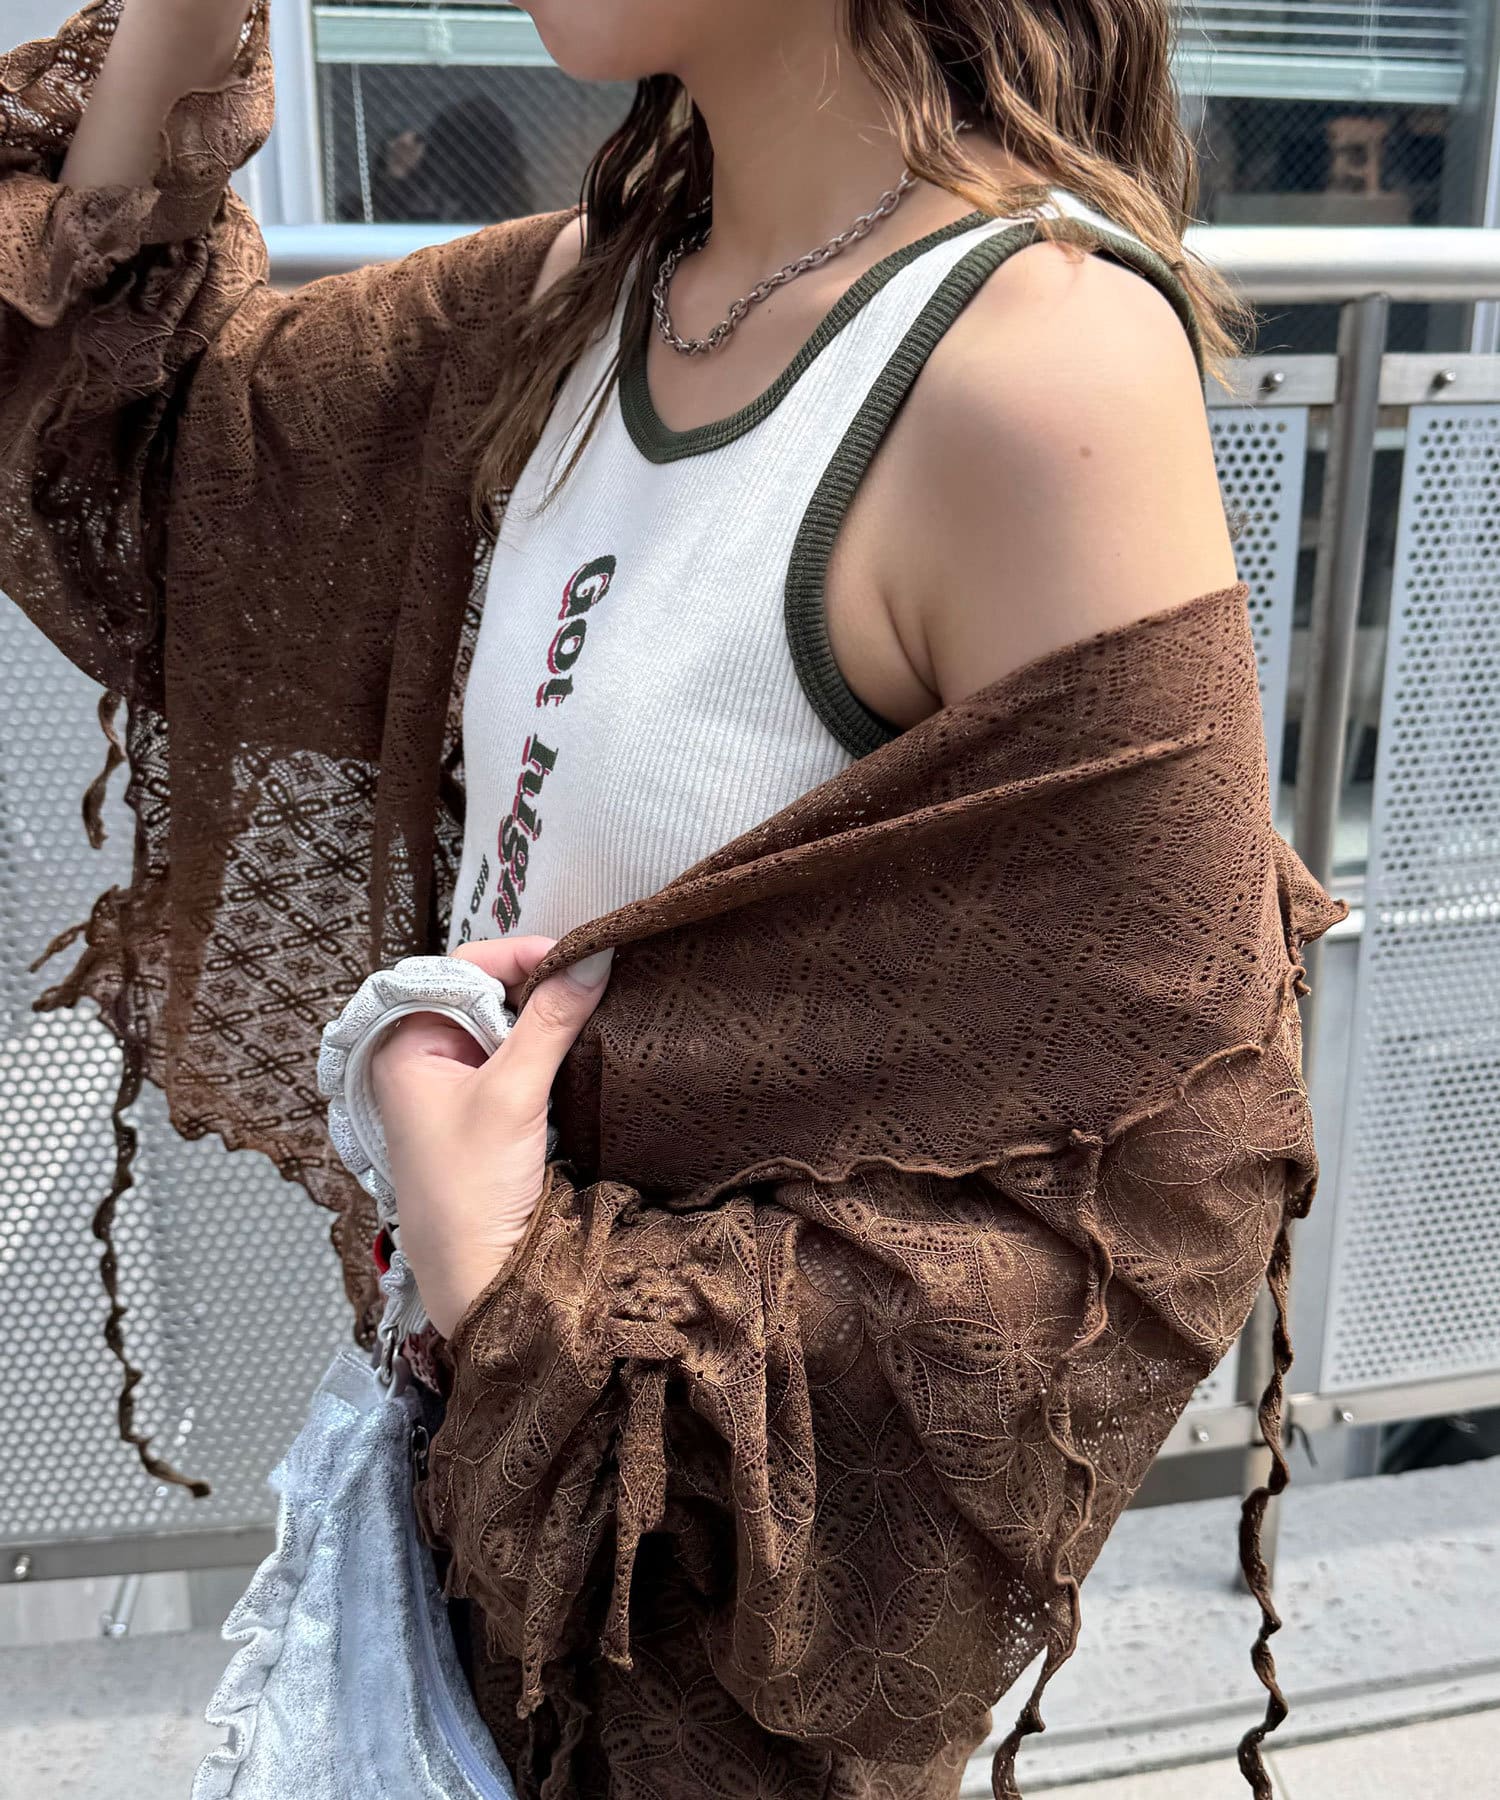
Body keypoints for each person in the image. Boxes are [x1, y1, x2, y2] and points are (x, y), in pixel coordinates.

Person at [1, 3, 1340, 1797]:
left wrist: (519, 1288)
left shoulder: (1035, 360)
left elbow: (1173, 1170)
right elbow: (115, 427)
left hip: (707, 1661)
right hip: (447, 1528)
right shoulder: (591, 293)